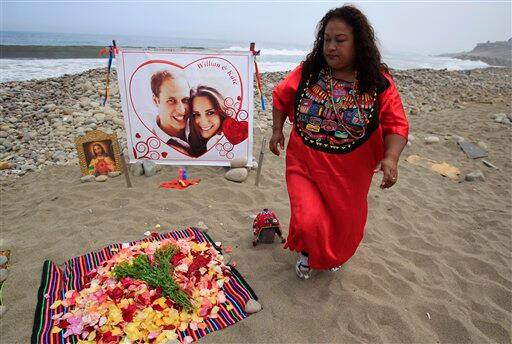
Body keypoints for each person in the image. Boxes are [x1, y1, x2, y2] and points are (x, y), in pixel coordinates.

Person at [270, 5, 409, 280]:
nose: (330, 47)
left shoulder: (378, 83)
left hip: (349, 176)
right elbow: (281, 96)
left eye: (340, 40)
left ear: (359, 43)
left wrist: (391, 158)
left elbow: (396, 124)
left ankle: (332, 255)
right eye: (326, 40)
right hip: (304, 163)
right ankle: (309, 252)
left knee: (343, 224)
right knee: (308, 217)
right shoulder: (309, 71)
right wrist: (277, 130)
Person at [151, 70, 191, 155]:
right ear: (156, 101)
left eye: (185, 100)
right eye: (171, 101)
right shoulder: (150, 144)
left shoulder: (203, 125)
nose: (182, 110)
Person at [187, 86, 228, 157]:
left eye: (210, 113)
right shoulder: (191, 139)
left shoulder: (229, 139)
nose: (204, 122)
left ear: (221, 113)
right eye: (196, 114)